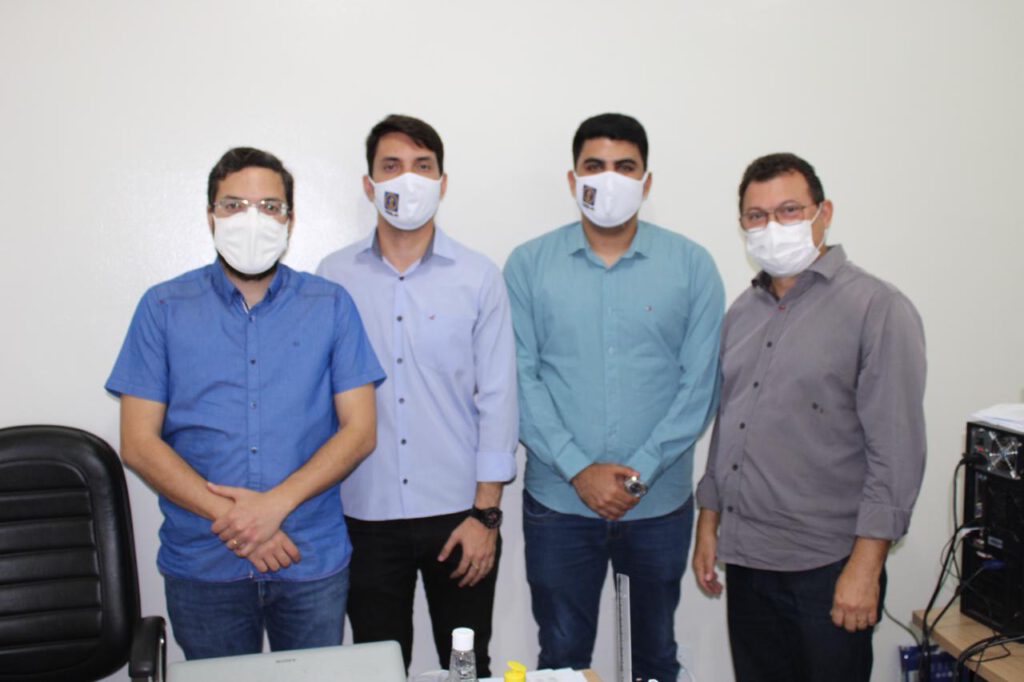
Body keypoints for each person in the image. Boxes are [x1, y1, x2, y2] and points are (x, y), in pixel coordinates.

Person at [106, 147, 385, 660]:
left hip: (309, 559)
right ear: (210, 215)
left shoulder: (330, 305)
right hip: (204, 563)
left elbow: (360, 430)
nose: (252, 219)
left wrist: (274, 506)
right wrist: (240, 521)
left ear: (290, 220)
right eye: (234, 205)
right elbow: (139, 443)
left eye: (270, 207)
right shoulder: (162, 307)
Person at [504, 113, 724, 682]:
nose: (609, 179)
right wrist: (579, 470)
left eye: (625, 167)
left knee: (654, 657)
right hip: (559, 503)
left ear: (646, 182)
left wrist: (638, 474)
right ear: (573, 179)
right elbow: (520, 380)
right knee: (561, 660)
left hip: (658, 506)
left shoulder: (692, 265)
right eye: (595, 166)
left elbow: (699, 385)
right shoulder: (528, 265)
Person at [693, 152, 927, 682]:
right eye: (757, 216)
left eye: (789, 210)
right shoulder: (742, 313)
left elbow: (896, 453)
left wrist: (866, 567)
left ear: (824, 214)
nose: (772, 226)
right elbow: (731, 425)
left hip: (829, 566)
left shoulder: (877, 308)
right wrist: (709, 523)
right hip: (748, 559)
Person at [317, 114, 517, 677]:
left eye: (422, 166)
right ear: (369, 185)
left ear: (442, 182)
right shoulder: (332, 277)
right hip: (363, 514)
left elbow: (499, 398)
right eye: (392, 166)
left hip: (459, 516)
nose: (407, 179)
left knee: (467, 666)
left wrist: (486, 515)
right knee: (379, 668)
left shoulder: (479, 276)